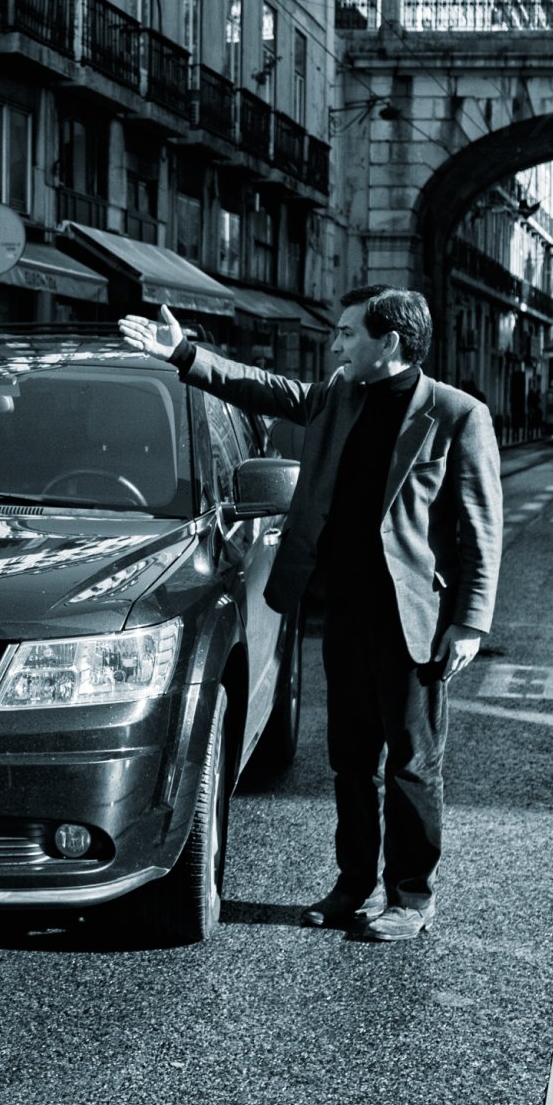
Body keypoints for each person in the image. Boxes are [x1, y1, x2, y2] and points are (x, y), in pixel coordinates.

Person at [119, 287, 503, 941]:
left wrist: (469, 620)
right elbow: (267, 390)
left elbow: (480, 526)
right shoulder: (337, 396)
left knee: (411, 762)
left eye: (348, 334)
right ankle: (353, 884)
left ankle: (411, 895)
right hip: (345, 610)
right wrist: (184, 353)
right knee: (351, 760)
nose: (336, 345)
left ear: (390, 342)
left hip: (413, 620)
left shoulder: (455, 415)